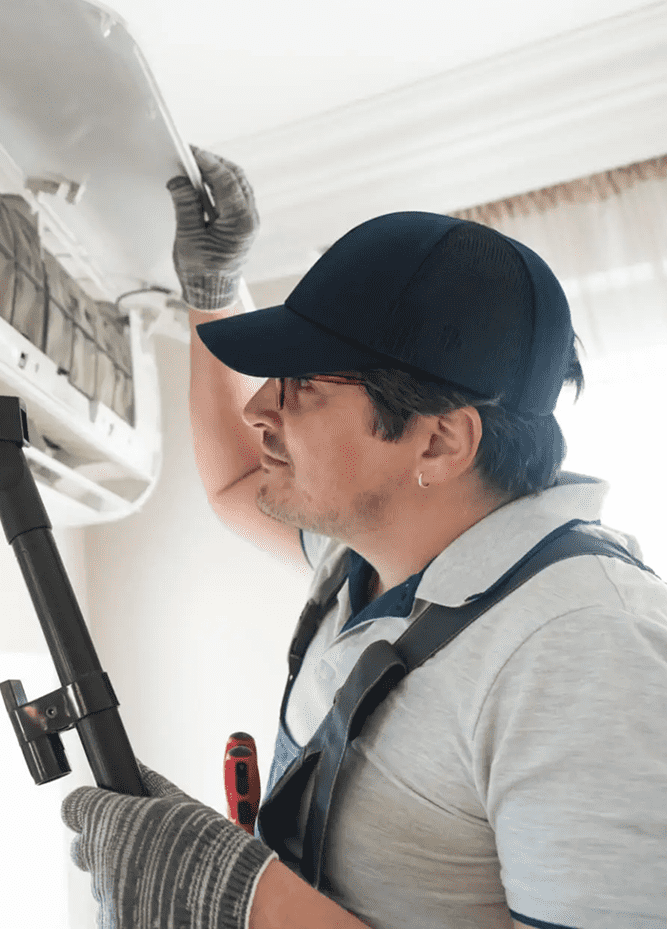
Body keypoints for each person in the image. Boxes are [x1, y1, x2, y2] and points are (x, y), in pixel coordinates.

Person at [60, 149, 667, 929]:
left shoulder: (583, 651)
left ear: (440, 443)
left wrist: (244, 898)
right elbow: (241, 484)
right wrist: (211, 291)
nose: (259, 412)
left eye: (304, 385)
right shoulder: (369, 559)